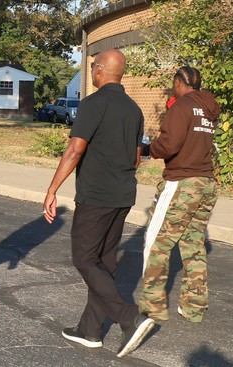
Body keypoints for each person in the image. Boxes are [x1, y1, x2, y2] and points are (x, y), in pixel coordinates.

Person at [42, 49, 154, 357]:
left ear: (101, 70)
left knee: (84, 259)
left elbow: (75, 149)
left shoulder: (93, 104)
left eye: (93, 66)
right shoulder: (134, 110)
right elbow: (136, 158)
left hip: (96, 196)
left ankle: (128, 317)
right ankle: (90, 330)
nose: (92, 70)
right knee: (104, 263)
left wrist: (52, 189)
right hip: (123, 196)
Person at [138, 66, 220, 324]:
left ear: (178, 83)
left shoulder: (182, 106)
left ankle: (153, 305)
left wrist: (147, 150)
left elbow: (169, 144)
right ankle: (194, 307)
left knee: (156, 243)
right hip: (206, 183)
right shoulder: (209, 108)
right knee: (193, 245)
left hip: (181, 183)